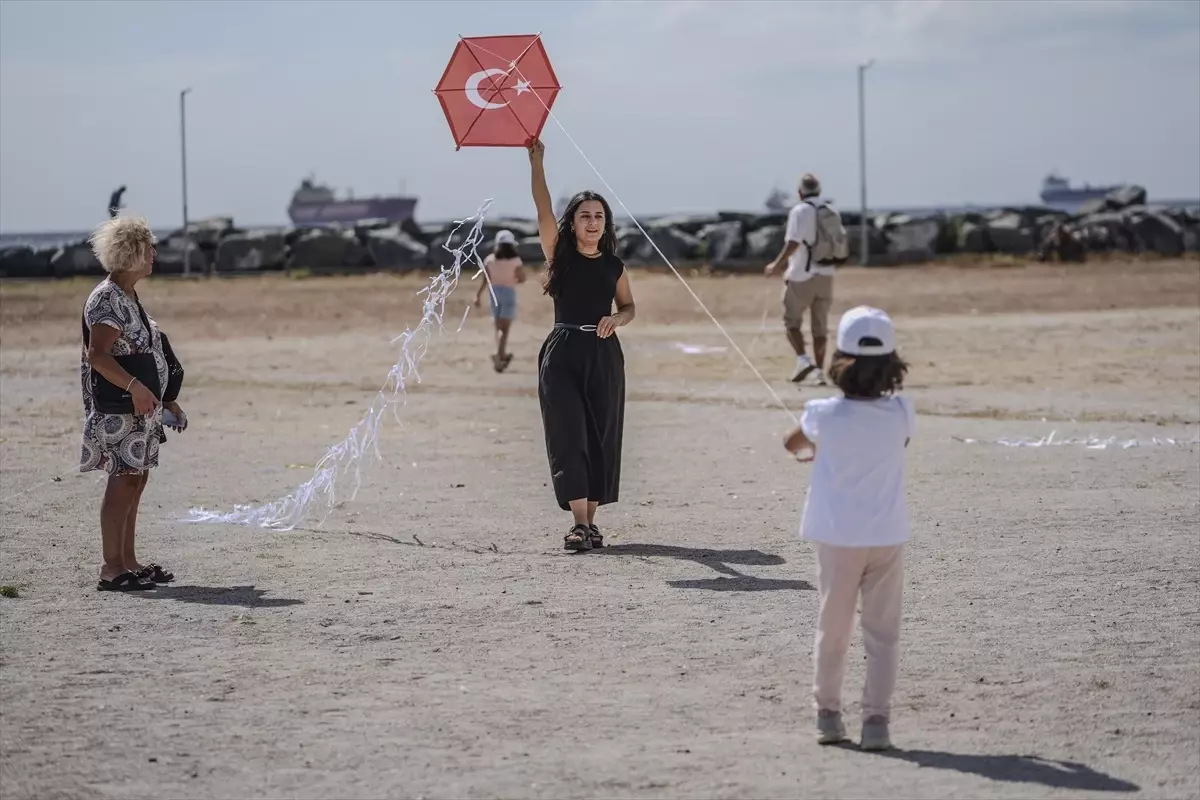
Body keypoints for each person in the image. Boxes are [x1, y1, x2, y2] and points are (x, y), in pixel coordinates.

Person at [783, 305, 914, 751]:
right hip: (886, 536)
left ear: (839, 361)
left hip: (837, 538)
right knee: (883, 633)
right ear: (893, 366)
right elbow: (897, 440)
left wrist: (819, 443)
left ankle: (828, 715)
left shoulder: (822, 412)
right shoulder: (902, 412)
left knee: (833, 627)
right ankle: (876, 722)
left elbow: (791, 443)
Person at [527, 138, 636, 551]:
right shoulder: (560, 257)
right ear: (572, 222)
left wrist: (617, 319)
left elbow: (628, 307)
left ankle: (590, 523)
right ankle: (578, 524)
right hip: (562, 352)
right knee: (568, 433)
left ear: (606, 225)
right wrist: (537, 163)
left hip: (604, 355)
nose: (592, 222)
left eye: (599, 217)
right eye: (584, 216)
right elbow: (541, 208)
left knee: (600, 435)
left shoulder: (614, 265)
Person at [81, 216, 187, 592]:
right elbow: (98, 355)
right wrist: (136, 387)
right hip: (120, 406)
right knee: (123, 479)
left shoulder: (128, 296)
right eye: (148, 249)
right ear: (130, 254)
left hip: (140, 407)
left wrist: (167, 400)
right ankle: (111, 568)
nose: (154, 255)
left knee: (136, 480)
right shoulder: (106, 299)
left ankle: (128, 561)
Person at [764, 173, 846, 386]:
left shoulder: (799, 211)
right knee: (820, 327)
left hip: (802, 275)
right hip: (827, 274)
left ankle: (803, 360)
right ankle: (819, 372)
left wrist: (776, 265)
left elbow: (793, 242)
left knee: (791, 321)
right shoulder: (831, 211)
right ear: (819, 191)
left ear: (800, 192)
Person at [474, 229, 526, 372]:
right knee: (505, 328)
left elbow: (486, 279)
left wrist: (478, 295)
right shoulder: (515, 261)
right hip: (508, 292)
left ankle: (500, 353)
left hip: (494, 293)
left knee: (498, 327)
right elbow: (522, 278)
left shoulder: (490, 260)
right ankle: (500, 355)